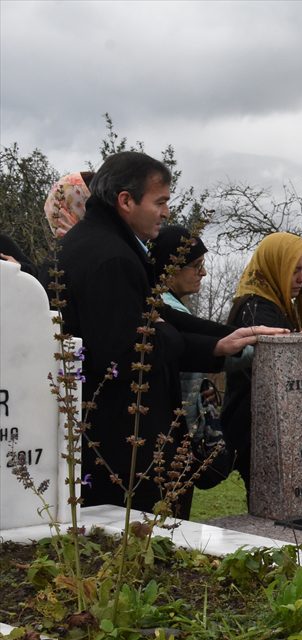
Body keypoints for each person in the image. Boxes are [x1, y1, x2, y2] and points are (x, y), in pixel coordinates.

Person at [57, 152, 280, 514]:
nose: (166, 212)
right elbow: (131, 353)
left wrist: (221, 343)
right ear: (126, 201)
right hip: (123, 453)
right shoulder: (111, 258)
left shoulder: (101, 243)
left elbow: (162, 322)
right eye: (160, 202)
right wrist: (167, 335)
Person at [148, 225, 234, 516]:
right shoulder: (166, 309)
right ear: (170, 269)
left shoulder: (172, 306)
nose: (204, 273)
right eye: (196, 266)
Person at [222, 232, 302, 480]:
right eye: (294, 270)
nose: (301, 279)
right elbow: (262, 364)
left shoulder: (275, 305)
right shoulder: (257, 308)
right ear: (275, 267)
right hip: (255, 428)